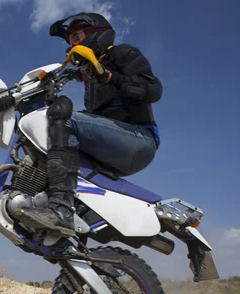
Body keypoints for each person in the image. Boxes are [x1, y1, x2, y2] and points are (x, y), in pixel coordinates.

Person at [18, 12, 163, 238]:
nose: (73, 45)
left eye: (77, 37)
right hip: (113, 149)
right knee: (55, 136)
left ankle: (61, 209)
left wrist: (109, 76)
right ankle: (68, 225)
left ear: (97, 33)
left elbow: (153, 91)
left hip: (140, 140)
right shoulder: (88, 79)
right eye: (70, 41)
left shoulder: (123, 53)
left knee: (63, 115)